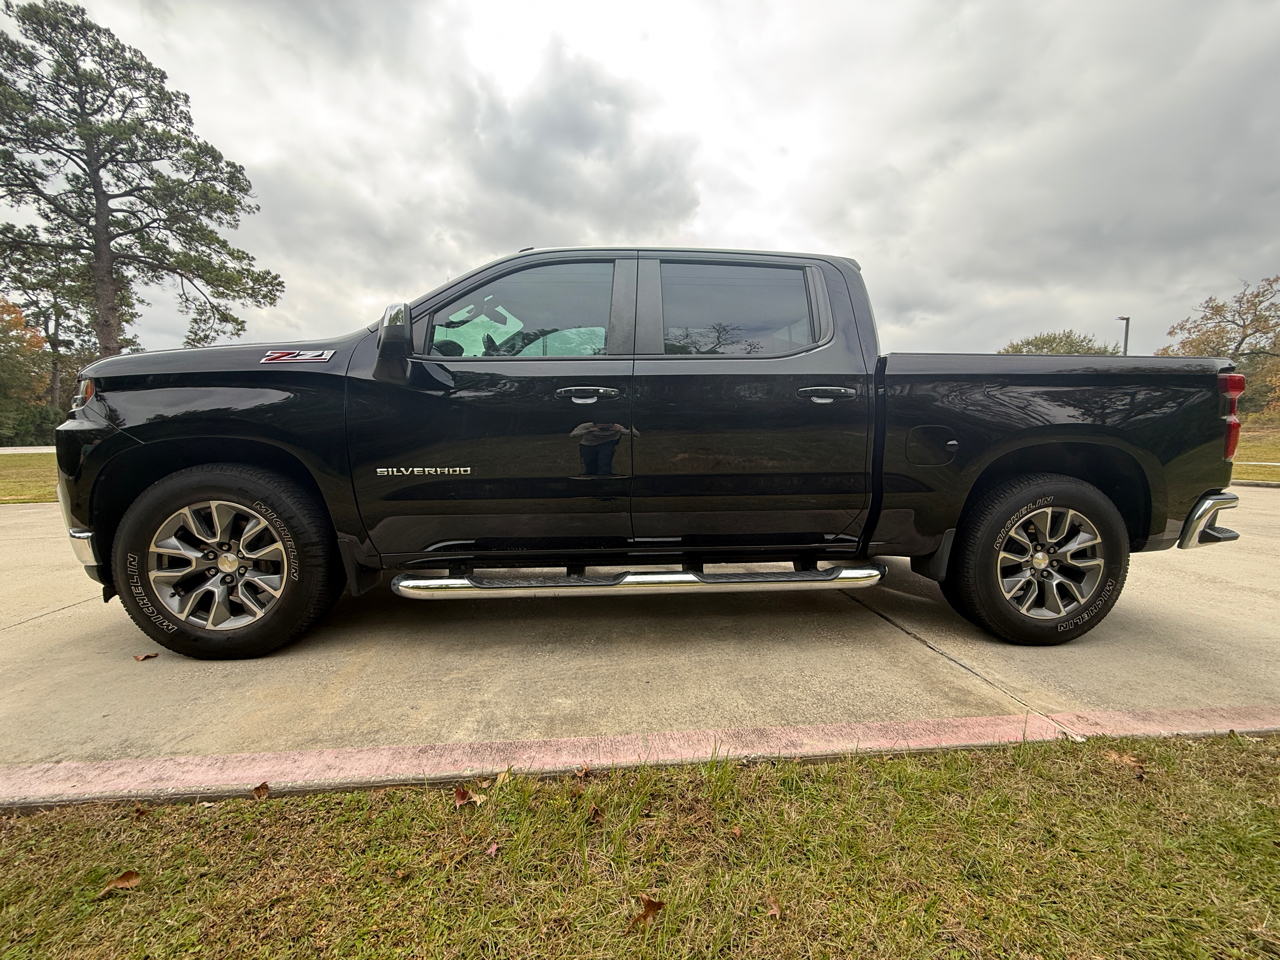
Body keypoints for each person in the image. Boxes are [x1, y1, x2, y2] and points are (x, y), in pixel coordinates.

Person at [569, 422, 636, 476]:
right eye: (601, 427)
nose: (605, 428)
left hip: (607, 444)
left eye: (608, 427)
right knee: (590, 466)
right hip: (588, 445)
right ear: (595, 424)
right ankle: (590, 481)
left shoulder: (617, 426)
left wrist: (621, 430)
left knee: (604, 464)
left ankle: (605, 482)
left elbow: (635, 434)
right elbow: (572, 435)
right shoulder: (587, 426)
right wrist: (589, 430)